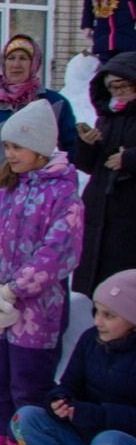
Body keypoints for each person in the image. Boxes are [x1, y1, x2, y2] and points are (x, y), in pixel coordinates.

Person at [0, 98, 85, 445]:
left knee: (27, 386)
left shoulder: (63, 193)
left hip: (35, 311)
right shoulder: (0, 188)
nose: (10, 153)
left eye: (18, 146)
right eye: (8, 146)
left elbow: (57, 253)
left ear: (42, 147)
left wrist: (12, 289)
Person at [12, 270, 136, 445]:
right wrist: (59, 401)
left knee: (109, 444)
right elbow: (69, 384)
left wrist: (96, 415)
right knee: (28, 419)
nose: (98, 321)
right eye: (97, 311)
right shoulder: (91, 339)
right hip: (91, 438)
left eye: (109, 315)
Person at [0, 34, 76, 208]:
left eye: (23, 58)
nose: (16, 64)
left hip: (37, 202)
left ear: (34, 62)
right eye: (11, 58)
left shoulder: (53, 103)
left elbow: (71, 150)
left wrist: (54, 178)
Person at [72, 52, 136, 305]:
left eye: (125, 85)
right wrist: (86, 145)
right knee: (94, 291)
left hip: (128, 219)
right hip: (99, 214)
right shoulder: (106, 118)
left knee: (123, 294)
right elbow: (91, 167)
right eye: (113, 87)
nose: (118, 92)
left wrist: (128, 159)